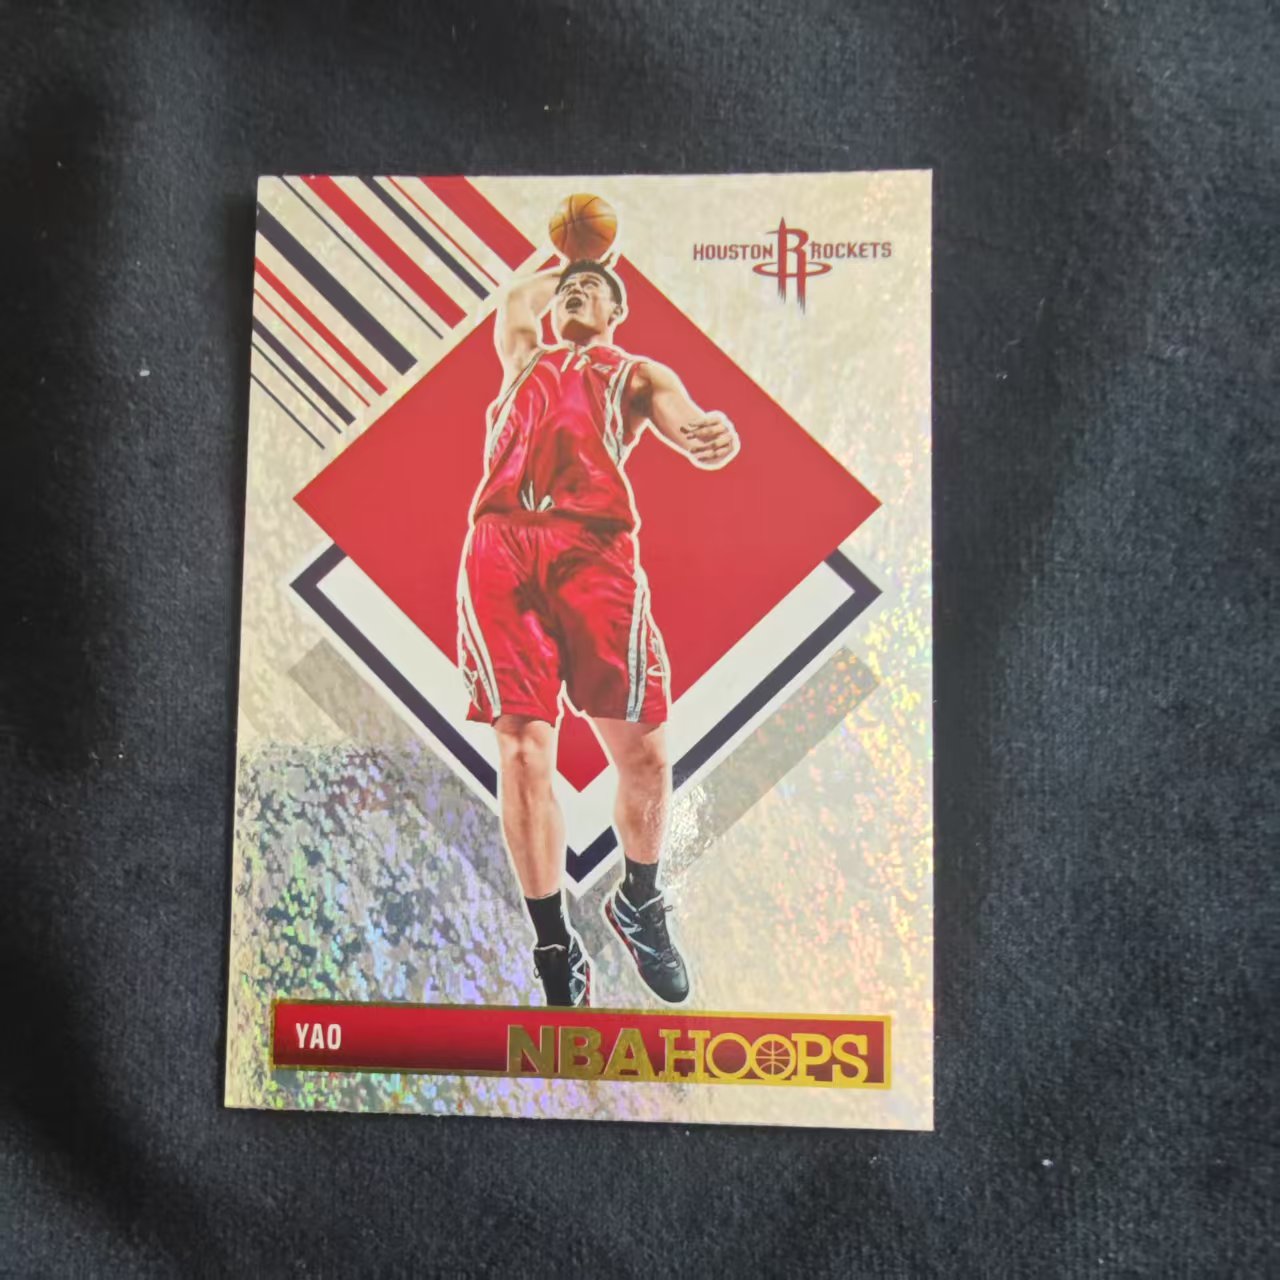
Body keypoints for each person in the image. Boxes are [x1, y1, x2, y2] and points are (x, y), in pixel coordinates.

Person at [457, 256, 739, 1006]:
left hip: (595, 553)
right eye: (568, 291)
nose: (576, 294)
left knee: (645, 756)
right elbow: (516, 299)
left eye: (595, 291)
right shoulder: (525, 358)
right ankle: (553, 941)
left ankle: (639, 902)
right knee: (522, 753)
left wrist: (703, 433)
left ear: (618, 312)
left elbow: (680, 414)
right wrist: (574, 262)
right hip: (502, 549)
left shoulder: (636, 373)